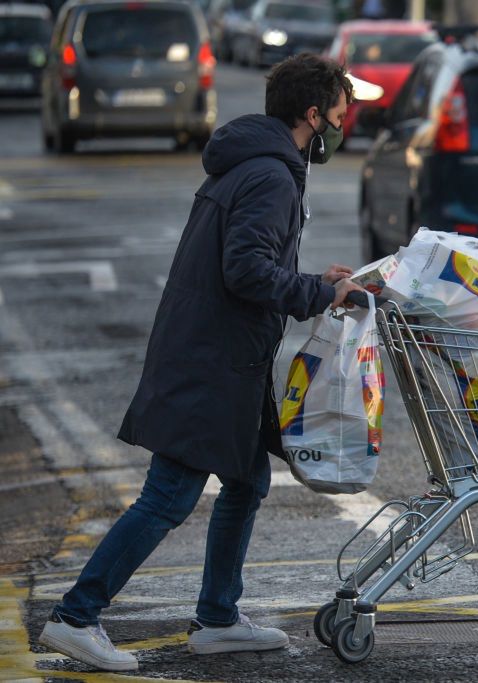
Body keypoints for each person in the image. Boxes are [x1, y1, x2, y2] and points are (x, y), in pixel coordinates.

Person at [37, 53, 363, 672]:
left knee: (246, 481)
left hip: (223, 352)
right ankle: (76, 616)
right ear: (313, 115)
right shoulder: (271, 175)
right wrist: (319, 293)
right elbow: (244, 271)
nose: (342, 130)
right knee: (168, 496)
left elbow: (249, 260)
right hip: (211, 357)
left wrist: (313, 280)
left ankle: (217, 618)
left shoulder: (257, 162)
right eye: (339, 117)